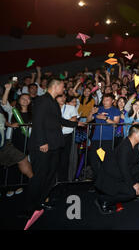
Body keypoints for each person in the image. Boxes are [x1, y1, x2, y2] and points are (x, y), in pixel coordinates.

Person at [25, 79, 85, 217]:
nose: (64, 90)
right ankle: (29, 207)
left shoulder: (53, 102)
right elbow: (38, 122)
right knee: (39, 176)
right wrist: (42, 142)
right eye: (63, 87)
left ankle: (40, 201)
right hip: (43, 146)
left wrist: (77, 124)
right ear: (56, 86)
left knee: (50, 176)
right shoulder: (42, 100)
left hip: (54, 145)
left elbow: (59, 120)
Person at [94, 124, 139, 214]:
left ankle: (130, 189)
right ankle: (104, 200)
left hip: (119, 173)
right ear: (134, 135)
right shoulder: (125, 147)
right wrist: (134, 184)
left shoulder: (133, 143)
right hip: (110, 178)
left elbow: (137, 157)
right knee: (131, 193)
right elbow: (124, 169)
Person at [86, 93, 121, 179]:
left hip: (108, 139)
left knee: (106, 160)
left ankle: (106, 180)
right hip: (96, 138)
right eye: (104, 100)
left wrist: (105, 118)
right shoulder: (98, 109)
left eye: (107, 100)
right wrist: (92, 112)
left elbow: (116, 124)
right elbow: (88, 120)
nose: (105, 102)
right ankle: (98, 179)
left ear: (112, 101)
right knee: (94, 160)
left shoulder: (115, 110)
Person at [56, 94, 79, 182]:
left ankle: (63, 181)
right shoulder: (52, 108)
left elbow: (74, 119)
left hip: (67, 136)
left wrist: (61, 124)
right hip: (54, 136)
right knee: (54, 159)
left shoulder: (70, 108)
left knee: (64, 160)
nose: (62, 98)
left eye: (64, 97)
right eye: (60, 97)